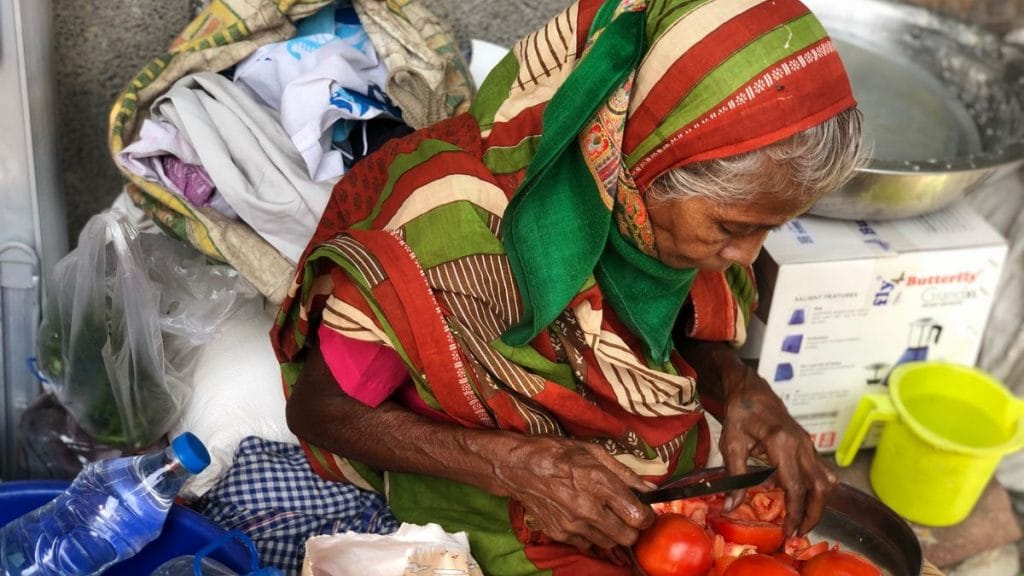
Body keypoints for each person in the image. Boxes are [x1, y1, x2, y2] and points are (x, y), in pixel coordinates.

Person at [273, 0, 864, 573]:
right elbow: (323, 410)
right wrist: (515, 465)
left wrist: (739, 385)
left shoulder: (665, 222)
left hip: (637, 491)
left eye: (771, 229)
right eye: (734, 228)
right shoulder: (447, 233)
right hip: (484, 484)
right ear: (641, 165)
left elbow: (676, 328)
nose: (747, 255)